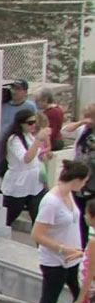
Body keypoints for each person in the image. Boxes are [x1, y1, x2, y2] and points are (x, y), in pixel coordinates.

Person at [31, 159, 90, 303]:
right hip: (54, 262)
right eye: (84, 182)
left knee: (81, 300)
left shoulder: (69, 196)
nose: (84, 186)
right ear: (76, 180)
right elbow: (37, 234)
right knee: (49, 301)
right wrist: (62, 249)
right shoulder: (51, 201)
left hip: (73, 259)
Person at [0, 109, 48, 226]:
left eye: (34, 122)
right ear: (21, 124)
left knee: (38, 217)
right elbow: (26, 158)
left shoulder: (29, 136)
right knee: (9, 216)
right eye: (30, 123)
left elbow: (35, 155)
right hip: (19, 184)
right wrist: (38, 140)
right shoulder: (14, 140)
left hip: (35, 183)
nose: (33, 126)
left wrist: (44, 153)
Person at [66, 104, 95, 243]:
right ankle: (81, 244)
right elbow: (66, 131)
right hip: (79, 179)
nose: (88, 120)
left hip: (93, 181)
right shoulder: (83, 130)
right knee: (81, 215)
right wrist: (82, 122)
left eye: (90, 117)